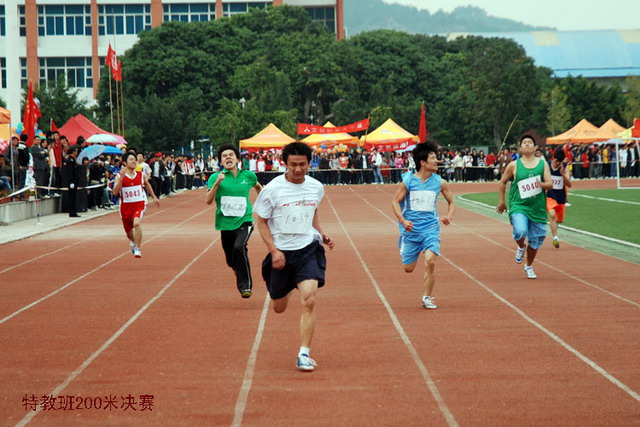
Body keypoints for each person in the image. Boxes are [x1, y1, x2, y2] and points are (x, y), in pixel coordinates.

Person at [253, 142, 334, 372]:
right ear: (285, 164)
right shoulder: (272, 190)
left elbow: (312, 211)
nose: (298, 169)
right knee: (278, 307)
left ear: (310, 163)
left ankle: (304, 353)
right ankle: (287, 285)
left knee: (309, 299)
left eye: (302, 164)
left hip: (308, 249)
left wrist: (321, 233)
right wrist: (274, 251)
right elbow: (261, 222)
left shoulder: (316, 187)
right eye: (293, 165)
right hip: (281, 252)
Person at [391, 142, 455, 309]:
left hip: (430, 228)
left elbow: (452, 202)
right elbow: (395, 201)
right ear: (423, 162)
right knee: (408, 268)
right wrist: (403, 221)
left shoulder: (440, 182)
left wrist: (449, 216)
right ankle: (405, 244)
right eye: (433, 158)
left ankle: (426, 297)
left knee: (430, 261)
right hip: (411, 230)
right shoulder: (408, 181)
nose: (436, 161)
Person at [205, 144, 262, 298]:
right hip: (225, 223)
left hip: (245, 220)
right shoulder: (214, 177)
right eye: (224, 156)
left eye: (231, 155)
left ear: (237, 159)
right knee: (231, 261)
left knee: (239, 246)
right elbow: (208, 201)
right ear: (220, 162)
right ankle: (238, 268)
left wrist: (266, 202)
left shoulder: (248, 176)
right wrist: (217, 183)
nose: (228, 157)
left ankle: (245, 286)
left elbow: (258, 187)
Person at [496, 135, 552, 279]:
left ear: (535, 147)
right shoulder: (514, 165)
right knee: (521, 231)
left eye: (530, 143)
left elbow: (550, 184)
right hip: (519, 205)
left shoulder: (543, 164)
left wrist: (541, 184)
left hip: (537, 207)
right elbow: (502, 182)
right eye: (524, 143)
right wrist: (502, 201)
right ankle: (521, 245)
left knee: (536, 240)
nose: (527, 144)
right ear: (520, 148)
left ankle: (529, 266)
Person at [113, 151, 160, 258]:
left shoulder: (140, 174)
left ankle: (137, 248)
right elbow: (115, 192)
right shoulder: (119, 176)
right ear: (124, 163)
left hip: (139, 203)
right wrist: (121, 179)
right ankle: (134, 242)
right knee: (129, 233)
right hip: (125, 207)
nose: (134, 161)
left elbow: (147, 184)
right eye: (131, 160)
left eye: (135, 160)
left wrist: (154, 197)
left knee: (137, 223)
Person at [546, 148, 572, 248]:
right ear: (553, 158)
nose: (558, 163)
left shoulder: (564, 167)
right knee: (552, 214)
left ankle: (554, 229)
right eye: (556, 161)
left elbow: (569, 184)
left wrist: (563, 174)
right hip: (549, 195)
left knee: (558, 220)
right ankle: (555, 238)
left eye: (560, 162)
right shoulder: (547, 165)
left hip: (561, 197)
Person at [62, 146, 81, 217]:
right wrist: (71, 182)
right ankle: (72, 212)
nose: (76, 152)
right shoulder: (70, 160)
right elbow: (70, 172)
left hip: (75, 180)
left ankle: (73, 211)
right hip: (72, 181)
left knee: (74, 196)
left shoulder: (73, 160)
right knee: (72, 197)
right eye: (75, 151)